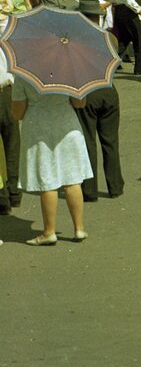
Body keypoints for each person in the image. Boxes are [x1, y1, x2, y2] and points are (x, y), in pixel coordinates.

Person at [11, 77, 91, 244]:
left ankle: (49, 232)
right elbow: (79, 103)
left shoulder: (24, 75)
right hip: (67, 124)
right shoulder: (68, 69)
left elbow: (17, 112)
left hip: (38, 126)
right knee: (73, 177)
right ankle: (79, 228)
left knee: (47, 178)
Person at [75, 0, 124, 202]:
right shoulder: (109, 38)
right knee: (110, 140)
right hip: (109, 90)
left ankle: (89, 189)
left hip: (87, 90)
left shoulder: (74, 41)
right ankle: (115, 185)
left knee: (88, 141)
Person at [0, 46, 20, 215]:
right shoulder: (10, 34)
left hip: (7, 91)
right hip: (7, 91)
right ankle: (13, 192)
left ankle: (4, 197)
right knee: (12, 144)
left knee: (10, 144)